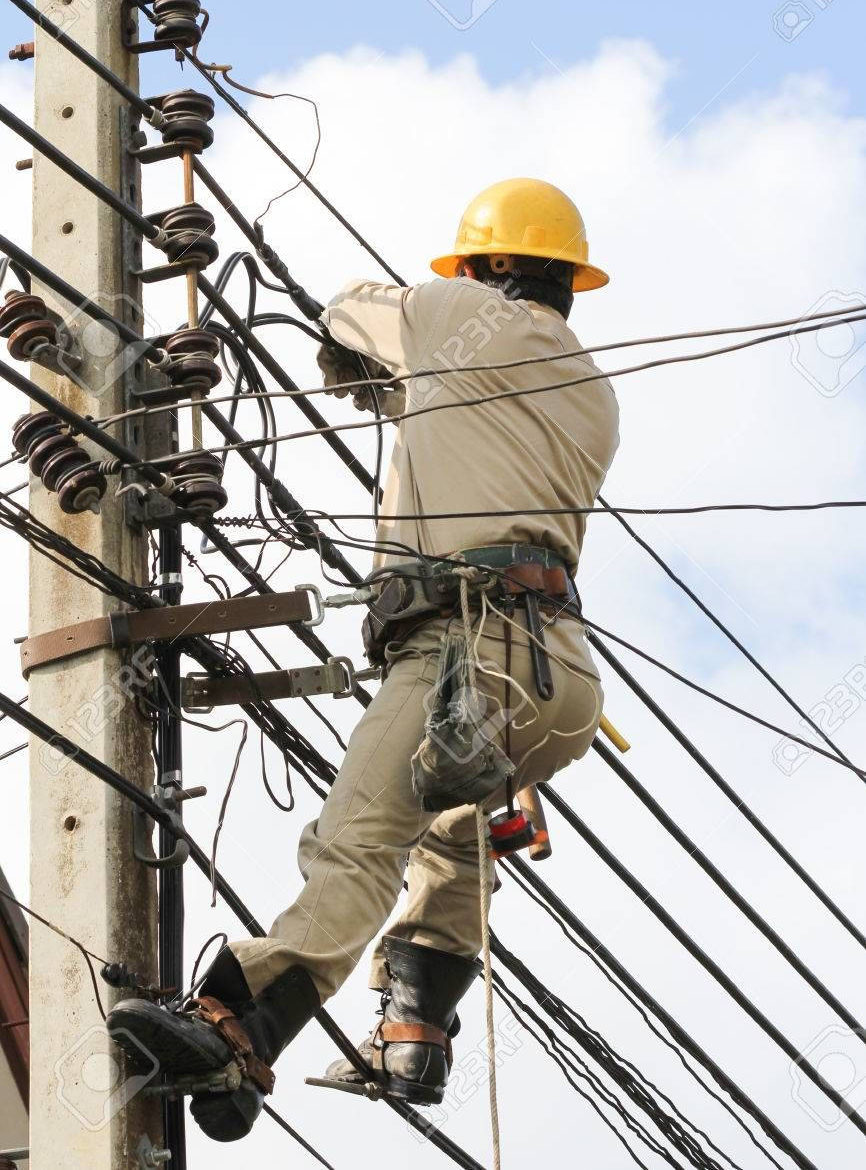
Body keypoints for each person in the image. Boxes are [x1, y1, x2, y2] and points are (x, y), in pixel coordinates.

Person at [108, 177, 620, 1143]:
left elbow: (353, 308)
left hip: (463, 649)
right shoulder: (591, 390)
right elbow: (481, 426)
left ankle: (232, 1020)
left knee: (358, 841)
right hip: (558, 681)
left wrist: (367, 347)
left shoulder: (453, 312)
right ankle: (417, 1029)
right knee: (449, 831)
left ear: (493, 267)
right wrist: (412, 388)